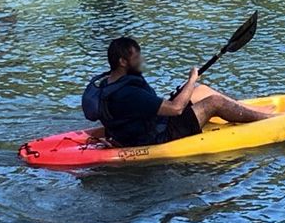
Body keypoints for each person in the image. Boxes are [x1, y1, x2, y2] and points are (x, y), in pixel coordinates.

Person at [82, 37, 274, 147]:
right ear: (123, 62)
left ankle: (253, 110)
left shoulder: (107, 82)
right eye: (137, 57)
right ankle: (269, 120)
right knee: (214, 102)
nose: (141, 60)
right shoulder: (129, 93)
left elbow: (135, 110)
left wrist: (190, 87)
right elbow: (176, 109)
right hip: (158, 136)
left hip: (143, 126)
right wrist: (191, 80)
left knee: (200, 90)